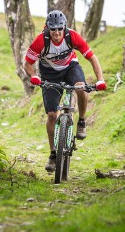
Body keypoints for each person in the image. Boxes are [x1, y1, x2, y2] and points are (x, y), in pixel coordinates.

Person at [23, 10, 107, 172]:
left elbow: (92, 58)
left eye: (59, 29)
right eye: (53, 29)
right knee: (52, 115)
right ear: (48, 27)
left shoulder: (72, 37)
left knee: (81, 87)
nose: (56, 32)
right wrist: (33, 76)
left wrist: (100, 79)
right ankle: (53, 155)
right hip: (49, 74)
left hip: (70, 68)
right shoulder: (41, 41)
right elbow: (27, 63)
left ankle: (81, 121)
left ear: (64, 28)